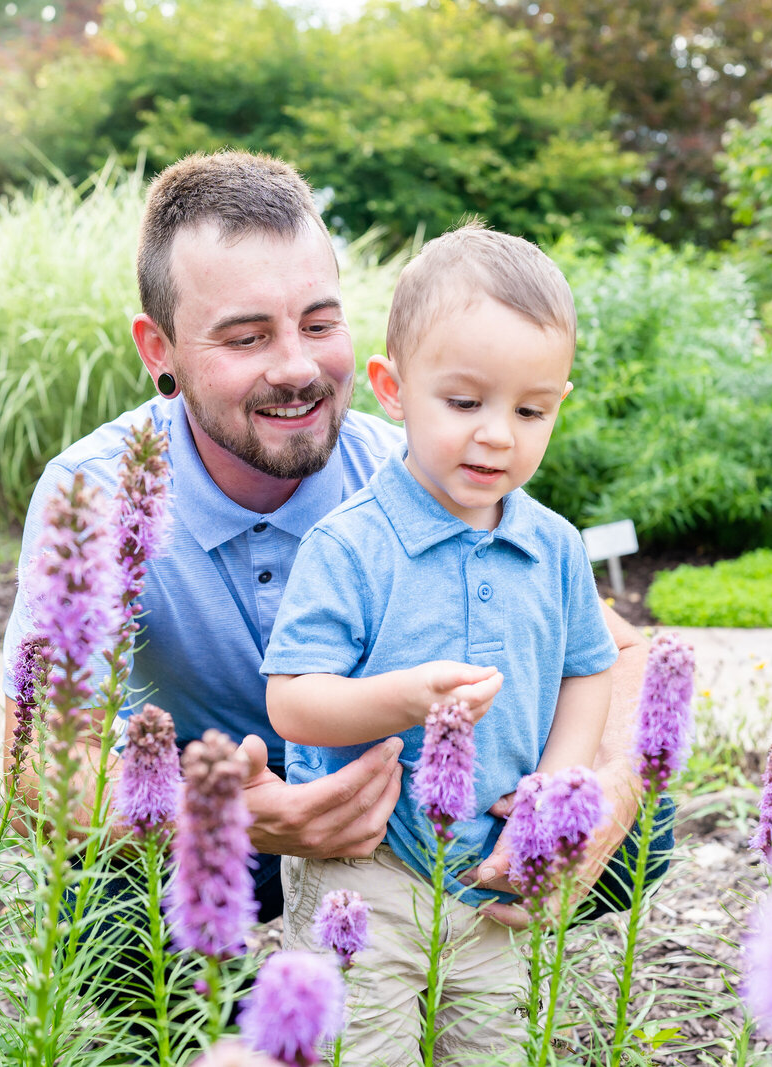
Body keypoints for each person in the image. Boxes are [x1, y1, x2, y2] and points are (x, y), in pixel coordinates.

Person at [1, 150, 669, 931]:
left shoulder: (419, 469)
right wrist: (230, 814)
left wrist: (598, 795)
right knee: (110, 903)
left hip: (397, 828)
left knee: (641, 833)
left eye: (319, 324)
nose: (297, 367)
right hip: (216, 817)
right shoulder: (97, 495)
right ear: (159, 350)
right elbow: (36, 758)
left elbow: (617, 652)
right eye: (246, 338)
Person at [263, 223, 611, 1063]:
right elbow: (293, 700)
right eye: (465, 403)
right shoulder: (352, 544)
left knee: (491, 1048)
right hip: (365, 871)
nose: (498, 434)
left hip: (491, 877)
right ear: (392, 388)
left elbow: (586, 670)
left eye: (531, 410)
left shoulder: (555, 545)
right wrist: (404, 698)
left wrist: (557, 784)